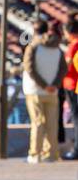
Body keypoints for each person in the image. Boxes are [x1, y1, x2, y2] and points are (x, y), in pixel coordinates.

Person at [22, 17, 64, 164]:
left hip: (35, 90)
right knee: (52, 123)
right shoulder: (57, 47)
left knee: (38, 122)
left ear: (34, 31)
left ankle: (35, 154)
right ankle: (51, 153)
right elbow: (62, 68)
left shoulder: (33, 47)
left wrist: (43, 84)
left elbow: (29, 67)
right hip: (52, 91)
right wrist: (54, 84)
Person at [62, 15, 78, 160]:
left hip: (72, 84)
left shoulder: (73, 45)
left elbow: (66, 66)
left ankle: (77, 149)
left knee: (76, 117)